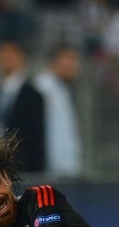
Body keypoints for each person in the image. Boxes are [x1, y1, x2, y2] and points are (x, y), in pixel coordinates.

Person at [0, 39, 45, 173]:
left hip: (24, 168)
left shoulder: (33, 95)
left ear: (21, 58)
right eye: (3, 56)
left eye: (10, 56)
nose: (6, 60)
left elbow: (36, 140)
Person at [34, 45, 83, 176]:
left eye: (75, 60)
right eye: (69, 59)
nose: (74, 65)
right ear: (55, 61)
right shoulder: (42, 87)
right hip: (51, 166)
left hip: (67, 165)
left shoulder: (64, 88)